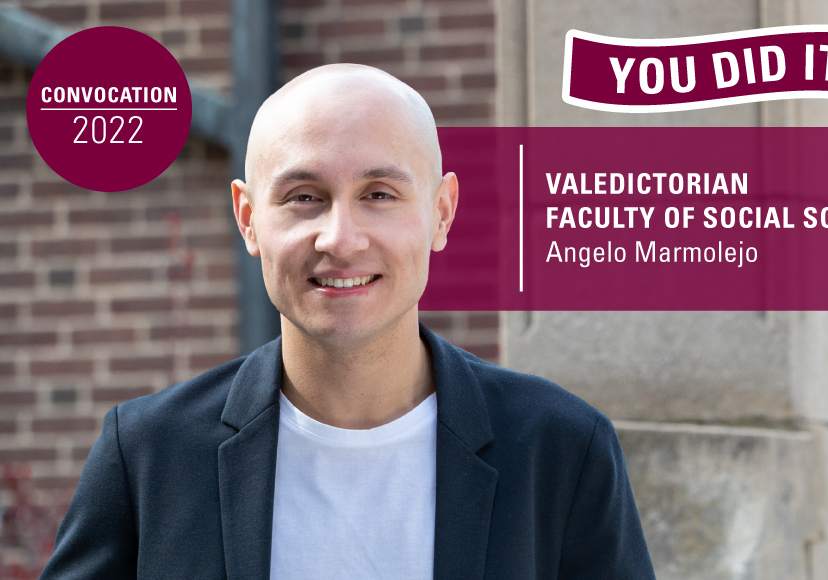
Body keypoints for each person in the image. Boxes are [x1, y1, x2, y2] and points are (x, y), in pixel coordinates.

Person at [39, 64, 656, 580]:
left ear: (441, 213)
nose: (341, 238)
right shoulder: (149, 454)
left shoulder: (561, 450)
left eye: (379, 194)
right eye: (304, 197)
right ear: (249, 219)